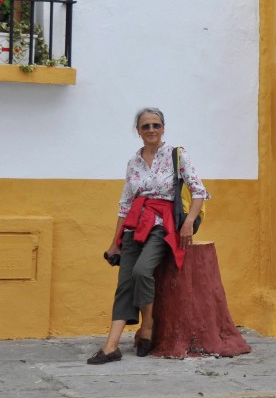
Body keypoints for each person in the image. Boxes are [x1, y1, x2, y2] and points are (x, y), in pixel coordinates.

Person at [87, 107, 210, 364]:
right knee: (124, 283)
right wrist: (115, 242)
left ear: (163, 127)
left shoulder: (177, 155)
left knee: (142, 272)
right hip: (134, 225)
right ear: (138, 131)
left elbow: (199, 191)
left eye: (156, 125)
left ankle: (147, 326)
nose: (151, 130)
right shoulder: (133, 162)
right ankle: (111, 347)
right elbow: (125, 204)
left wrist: (188, 223)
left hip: (162, 226)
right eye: (146, 126)